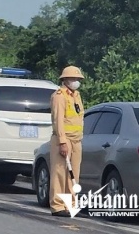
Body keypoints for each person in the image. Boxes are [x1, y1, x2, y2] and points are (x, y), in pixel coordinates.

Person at [49, 65, 85, 217]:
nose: (76, 81)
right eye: (73, 79)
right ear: (65, 80)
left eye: (77, 79)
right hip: (63, 139)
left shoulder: (76, 95)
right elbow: (58, 121)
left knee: (73, 174)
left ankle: (70, 205)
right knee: (59, 173)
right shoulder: (59, 95)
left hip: (76, 139)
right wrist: (62, 142)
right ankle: (57, 206)